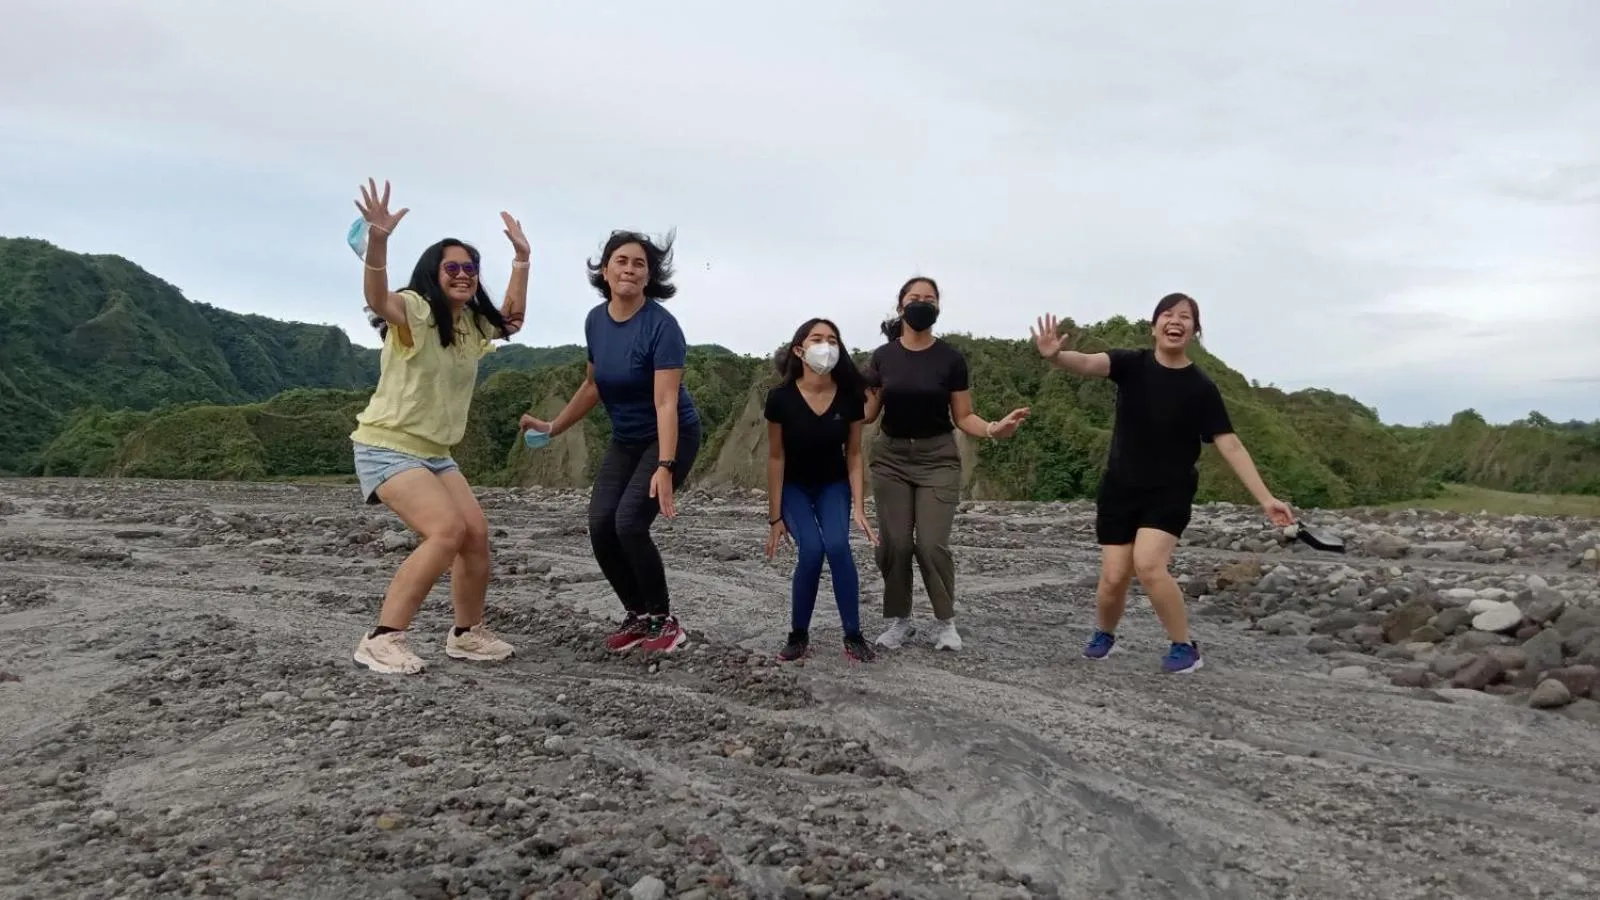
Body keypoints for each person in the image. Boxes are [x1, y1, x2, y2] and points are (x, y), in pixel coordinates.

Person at [1029, 293, 1295, 674]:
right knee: (1113, 577)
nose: (1176, 321)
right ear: (1154, 326)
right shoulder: (1131, 364)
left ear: (1195, 331)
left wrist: (1266, 499)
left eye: (1185, 317)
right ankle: (1105, 634)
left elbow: (1230, 444)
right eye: (1168, 314)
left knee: (1149, 565)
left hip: (1169, 490)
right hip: (1120, 487)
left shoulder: (1201, 388)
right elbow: (1086, 362)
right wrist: (1056, 356)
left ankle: (1184, 646)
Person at [347, 179, 528, 675]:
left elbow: (512, 320)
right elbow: (379, 298)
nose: (463, 275)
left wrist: (521, 260)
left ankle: (466, 634)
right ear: (434, 273)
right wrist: (378, 243)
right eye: (453, 268)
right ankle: (382, 638)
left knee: (475, 534)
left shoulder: (469, 323)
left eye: (470, 268)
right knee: (446, 531)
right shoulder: (417, 310)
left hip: (435, 452)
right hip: (387, 447)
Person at [519, 230, 701, 655]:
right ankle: (637, 615)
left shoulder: (662, 327)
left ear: (649, 276)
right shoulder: (595, 321)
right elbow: (592, 385)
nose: (630, 269)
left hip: (670, 434)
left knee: (629, 523)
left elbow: (666, 402)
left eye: (639, 264)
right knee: (601, 525)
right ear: (605, 270)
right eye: (621, 261)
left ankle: (664, 621)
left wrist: (666, 466)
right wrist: (553, 427)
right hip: (626, 438)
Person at [861, 277, 1030, 652]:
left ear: (938, 307)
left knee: (932, 544)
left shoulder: (950, 359)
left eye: (930, 299)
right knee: (895, 544)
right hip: (890, 458)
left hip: (937, 458)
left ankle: (945, 622)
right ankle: (900, 621)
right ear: (900, 306)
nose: (922, 304)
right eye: (914, 298)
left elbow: (963, 416)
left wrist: (993, 429)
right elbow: (868, 413)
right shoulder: (883, 357)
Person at [762, 318, 879, 663]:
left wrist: (859, 506)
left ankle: (853, 635)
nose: (825, 346)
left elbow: (854, 454)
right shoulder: (780, 399)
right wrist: (774, 517)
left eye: (832, 339)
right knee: (811, 550)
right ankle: (798, 635)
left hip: (833, 485)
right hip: (794, 487)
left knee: (839, 546)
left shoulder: (850, 398)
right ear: (799, 350)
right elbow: (775, 457)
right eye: (817, 339)